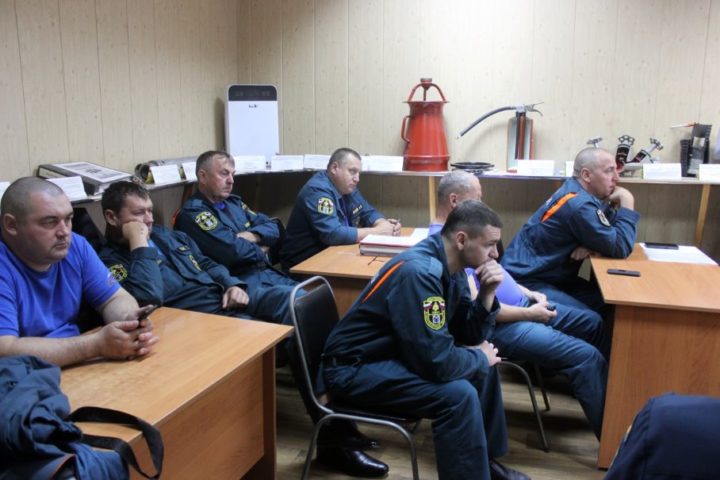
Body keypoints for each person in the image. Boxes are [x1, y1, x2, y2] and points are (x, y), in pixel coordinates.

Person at [172, 154, 388, 477]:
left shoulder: (234, 204)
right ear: (202, 177)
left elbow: (277, 228)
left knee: (322, 300)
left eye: (232, 173)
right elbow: (231, 252)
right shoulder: (194, 214)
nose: (231, 179)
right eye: (223, 174)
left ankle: (339, 418)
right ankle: (332, 439)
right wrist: (256, 242)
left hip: (267, 275)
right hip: (241, 286)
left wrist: (253, 236)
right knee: (301, 309)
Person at [322, 200, 530, 480]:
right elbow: (436, 363)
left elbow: (467, 334)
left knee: (484, 371)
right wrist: (479, 357)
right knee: (459, 395)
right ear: (461, 240)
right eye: (490, 245)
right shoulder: (420, 273)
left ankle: (484, 463)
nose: (496, 254)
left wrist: (486, 295)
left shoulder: (452, 265)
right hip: (354, 367)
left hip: (393, 354)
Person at [431, 171, 608, 438]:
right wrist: (530, 313)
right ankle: (615, 442)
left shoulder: (472, 233)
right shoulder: (453, 243)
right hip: (502, 324)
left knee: (594, 323)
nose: (482, 203)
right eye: (477, 197)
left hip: (525, 305)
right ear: (455, 201)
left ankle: (598, 397)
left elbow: (498, 272)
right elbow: (476, 310)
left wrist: (528, 292)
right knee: (587, 357)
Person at [0, 177, 158, 367]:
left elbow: (114, 298)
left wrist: (129, 321)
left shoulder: (76, 246)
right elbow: (5, 349)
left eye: (68, 219)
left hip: (77, 364)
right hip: (25, 374)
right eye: (50, 222)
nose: (64, 232)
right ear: (11, 225)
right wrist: (95, 345)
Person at [501, 147, 640, 311]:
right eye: (609, 171)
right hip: (528, 281)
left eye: (616, 170)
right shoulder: (579, 205)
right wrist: (627, 200)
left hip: (544, 275)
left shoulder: (577, 192)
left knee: (608, 302)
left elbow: (608, 231)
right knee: (594, 318)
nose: (617, 178)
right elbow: (621, 247)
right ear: (586, 175)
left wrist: (592, 246)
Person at [99, 181, 251, 317]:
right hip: (195, 317)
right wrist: (138, 240)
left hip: (222, 299)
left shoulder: (165, 235)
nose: (150, 219)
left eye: (150, 210)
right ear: (112, 217)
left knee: (265, 300)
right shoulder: (108, 262)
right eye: (139, 213)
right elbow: (147, 298)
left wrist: (231, 284)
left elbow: (205, 263)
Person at [279, 147, 401, 271]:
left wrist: (383, 224)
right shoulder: (317, 190)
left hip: (332, 255)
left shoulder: (346, 187)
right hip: (303, 264)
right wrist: (377, 232)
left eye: (359, 173)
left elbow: (368, 212)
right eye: (352, 171)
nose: (357, 179)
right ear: (334, 168)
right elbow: (332, 234)